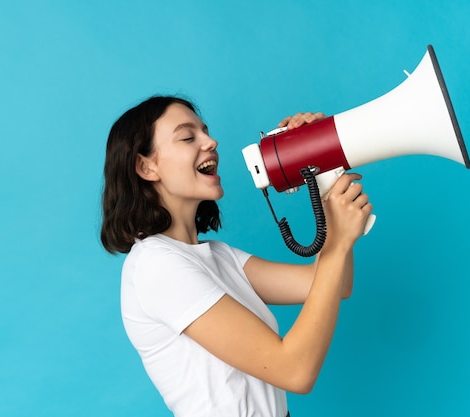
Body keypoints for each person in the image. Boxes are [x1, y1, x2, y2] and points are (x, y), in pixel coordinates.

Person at [100, 95, 372, 417]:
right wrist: (338, 241)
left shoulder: (216, 256)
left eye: (205, 131)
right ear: (146, 166)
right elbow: (294, 370)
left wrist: (324, 170)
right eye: (188, 137)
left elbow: (335, 283)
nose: (211, 141)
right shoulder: (156, 265)